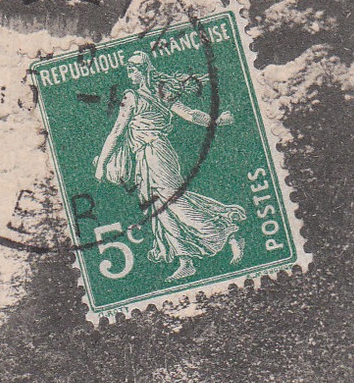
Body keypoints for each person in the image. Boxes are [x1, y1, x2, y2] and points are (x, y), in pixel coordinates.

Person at [93, 50, 246, 282]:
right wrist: (216, 120)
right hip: (144, 157)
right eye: (128, 69)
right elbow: (190, 115)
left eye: (132, 69)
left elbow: (118, 132)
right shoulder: (157, 93)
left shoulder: (135, 97)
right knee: (157, 209)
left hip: (156, 154)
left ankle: (227, 232)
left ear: (143, 70)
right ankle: (186, 261)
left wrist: (101, 164)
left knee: (175, 203)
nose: (129, 74)